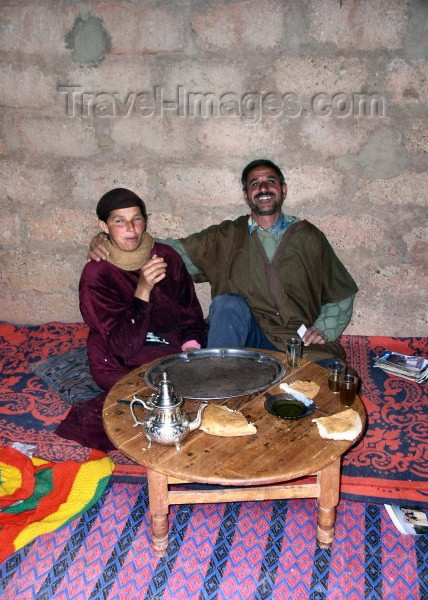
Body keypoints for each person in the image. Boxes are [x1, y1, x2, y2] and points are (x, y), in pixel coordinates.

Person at [88, 160, 358, 363]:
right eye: (254, 183)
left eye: (270, 181)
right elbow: (170, 253)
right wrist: (111, 240)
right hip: (247, 338)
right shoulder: (225, 236)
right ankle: (220, 376)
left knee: (326, 390)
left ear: (283, 190)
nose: (263, 188)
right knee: (226, 304)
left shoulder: (309, 237)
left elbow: (341, 292)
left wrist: (324, 328)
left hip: (298, 344)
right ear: (246, 195)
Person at [56, 188, 206, 450]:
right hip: (118, 360)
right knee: (130, 413)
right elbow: (121, 345)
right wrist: (143, 290)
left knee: (205, 394)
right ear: (103, 226)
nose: (131, 229)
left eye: (136, 219)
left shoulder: (166, 257)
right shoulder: (97, 273)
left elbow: (190, 314)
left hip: (166, 353)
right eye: (119, 221)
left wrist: (190, 351)